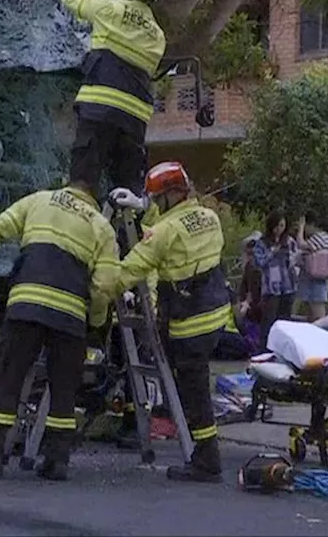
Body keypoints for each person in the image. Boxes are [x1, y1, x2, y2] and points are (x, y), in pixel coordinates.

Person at [0, 179, 119, 482]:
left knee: (7, 380)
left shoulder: (39, 200)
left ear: (67, 186)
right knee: (64, 391)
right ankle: (57, 462)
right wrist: (96, 320)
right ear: (92, 197)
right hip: (70, 316)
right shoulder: (101, 226)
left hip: (26, 306)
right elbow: (104, 286)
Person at [110, 162, 228, 483]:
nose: (155, 203)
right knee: (196, 388)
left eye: (157, 198)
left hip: (187, 323)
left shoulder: (164, 231)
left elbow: (129, 270)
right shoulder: (210, 218)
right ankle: (205, 453)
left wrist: (91, 289)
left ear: (172, 194)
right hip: (216, 316)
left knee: (194, 394)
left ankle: (207, 461)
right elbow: (173, 229)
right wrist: (141, 205)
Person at [56, 0, 165, 198]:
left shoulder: (109, 10)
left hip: (99, 111)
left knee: (82, 184)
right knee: (126, 191)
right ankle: (125, 231)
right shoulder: (158, 35)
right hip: (134, 121)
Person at [253, 212, 297, 345]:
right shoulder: (262, 243)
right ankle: (264, 348)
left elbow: (296, 257)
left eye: (282, 225)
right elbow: (259, 262)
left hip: (288, 285)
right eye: (277, 226)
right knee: (268, 320)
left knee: (285, 321)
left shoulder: (289, 241)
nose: (279, 229)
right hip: (271, 286)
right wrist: (272, 251)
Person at [294, 211, 328, 321]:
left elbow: (300, 244)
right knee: (311, 314)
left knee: (318, 313)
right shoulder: (319, 237)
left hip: (317, 279)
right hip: (311, 278)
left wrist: (300, 229)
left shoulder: (321, 236)